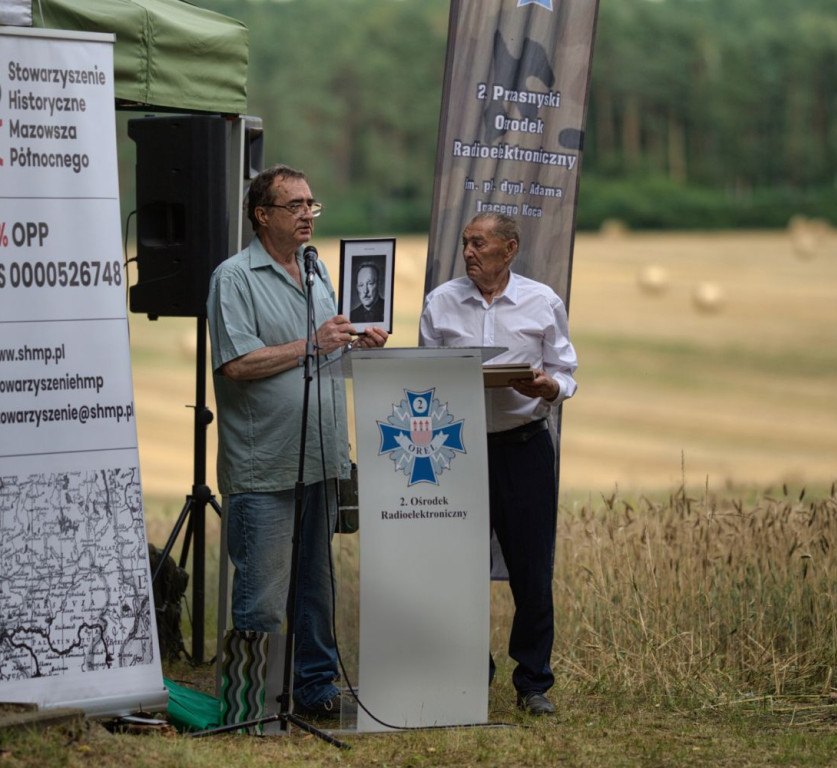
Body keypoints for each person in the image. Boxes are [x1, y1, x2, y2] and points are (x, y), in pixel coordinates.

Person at [206, 164, 388, 717]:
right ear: (263, 216)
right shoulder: (233, 278)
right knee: (261, 593)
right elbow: (236, 364)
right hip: (265, 463)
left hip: (320, 457)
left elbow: (322, 354)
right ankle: (252, 704)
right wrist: (311, 342)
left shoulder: (317, 272)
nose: (308, 214)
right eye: (295, 206)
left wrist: (356, 345)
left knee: (315, 590)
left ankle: (314, 688)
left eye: (312, 204)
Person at [418, 212, 578, 715]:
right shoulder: (440, 303)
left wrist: (548, 387)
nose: (468, 251)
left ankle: (533, 683)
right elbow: (425, 376)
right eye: (465, 242)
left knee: (532, 571)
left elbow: (565, 372)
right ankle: (469, 674)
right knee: (458, 570)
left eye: (479, 243)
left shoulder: (542, 302)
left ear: (508, 250)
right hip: (459, 450)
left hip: (525, 446)